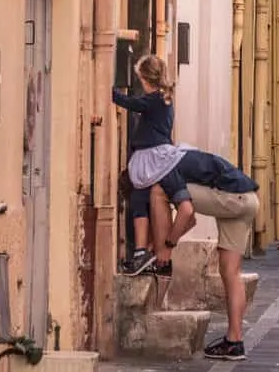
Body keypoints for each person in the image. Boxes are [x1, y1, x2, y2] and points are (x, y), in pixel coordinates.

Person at [147, 148, 261, 361]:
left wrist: (167, 245)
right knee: (230, 272)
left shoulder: (167, 169)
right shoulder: (184, 156)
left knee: (158, 190)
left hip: (233, 198)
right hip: (249, 199)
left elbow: (188, 215)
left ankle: (162, 259)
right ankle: (234, 341)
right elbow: (188, 220)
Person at [112, 54, 186, 275]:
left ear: (145, 78)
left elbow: (131, 103)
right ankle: (145, 250)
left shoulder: (154, 100)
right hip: (159, 157)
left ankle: (142, 251)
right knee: (142, 199)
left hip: (151, 158)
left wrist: (111, 94)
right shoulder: (165, 98)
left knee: (138, 199)